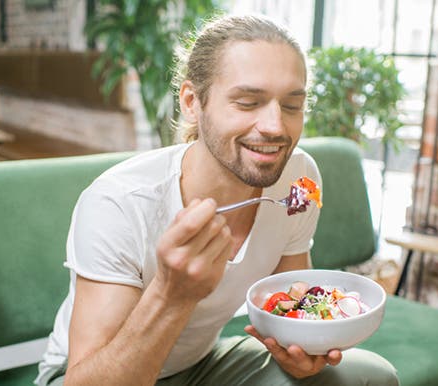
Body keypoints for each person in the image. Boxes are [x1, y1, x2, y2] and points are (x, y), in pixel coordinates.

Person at [36, 14, 399, 386]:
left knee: (371, 377)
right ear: (193, 102)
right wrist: (171, 294)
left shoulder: (297, 180)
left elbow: (290, 311)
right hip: (93, 376)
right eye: (247, 102)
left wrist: (301, 354)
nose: (276, 126)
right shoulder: (119, 202)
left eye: (292, 105)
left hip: (200, 365)